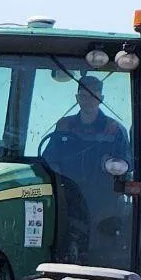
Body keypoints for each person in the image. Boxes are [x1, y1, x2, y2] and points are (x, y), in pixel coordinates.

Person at [47, 75, 131, 267]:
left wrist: (112, 164)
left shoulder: (114, 130)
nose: (88, 101)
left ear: (101, 98)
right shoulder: (64, 126)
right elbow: (49, 158)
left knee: (99, 247)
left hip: (103, 199)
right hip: (66, 197)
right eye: (84, 96)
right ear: (77, 98)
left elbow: (127, 164)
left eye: (93, 96)